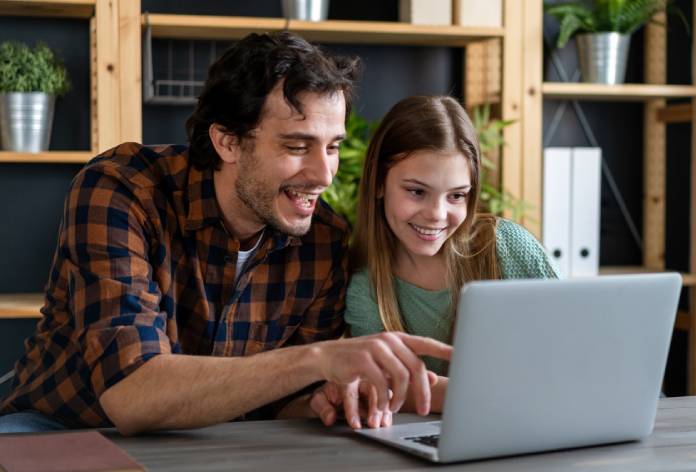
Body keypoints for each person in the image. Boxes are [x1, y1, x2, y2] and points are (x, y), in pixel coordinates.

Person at [0, 33, 451, 435]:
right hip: (62, 429)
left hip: (217, 439)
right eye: (297, 146)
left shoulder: (323, 238)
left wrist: (316, 398)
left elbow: (280, 402)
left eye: (332, 147)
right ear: (227, 142)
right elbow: (130, 395)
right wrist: (317, 359)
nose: (324, 175)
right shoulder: (121, 192)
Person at [307, 95, 557, 430]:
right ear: (380, 184)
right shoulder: (366, 285)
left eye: (456, 196)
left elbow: (566, 349)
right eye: (417, 192)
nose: (437, 215)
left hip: (529, 428)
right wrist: (504, 393)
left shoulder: (505, 248)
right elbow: (386, 390)